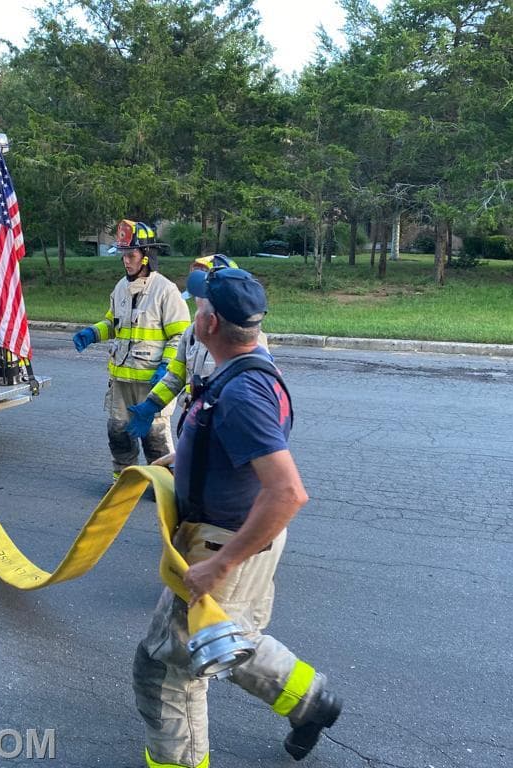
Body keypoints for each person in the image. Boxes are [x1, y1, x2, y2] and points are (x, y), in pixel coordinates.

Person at [132, 267, 341, 767]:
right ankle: (311, 701)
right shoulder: (246, 367)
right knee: (232, 637)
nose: (195, 312)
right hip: (239, 534)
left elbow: (288, 493)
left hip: (224, 542)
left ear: (209, 323)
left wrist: (220, 563)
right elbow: (235, 446)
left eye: (200, 307)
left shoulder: (243, 393)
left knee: (167, 670)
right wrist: (187, 455)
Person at [73, 220, 190, 482]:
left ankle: (163, 485)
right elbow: (113, 323)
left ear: (146, 256)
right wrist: (93, 333)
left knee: (155, 436)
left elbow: (180, 336)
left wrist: (166, 368)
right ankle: (123, 482)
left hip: (152, 382)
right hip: (121, 380)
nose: (126, 261)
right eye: (123, 255)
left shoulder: (166, 291)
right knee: (118, 432)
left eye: (131, 255)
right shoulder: (120, 288)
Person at [125, 253, 267, 440]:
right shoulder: (192, 333)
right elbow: (176, 375)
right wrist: (152, 404)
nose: (198, 308)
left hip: (224, 429)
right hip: (194, 422)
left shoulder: (247, 338)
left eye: (204, 300)